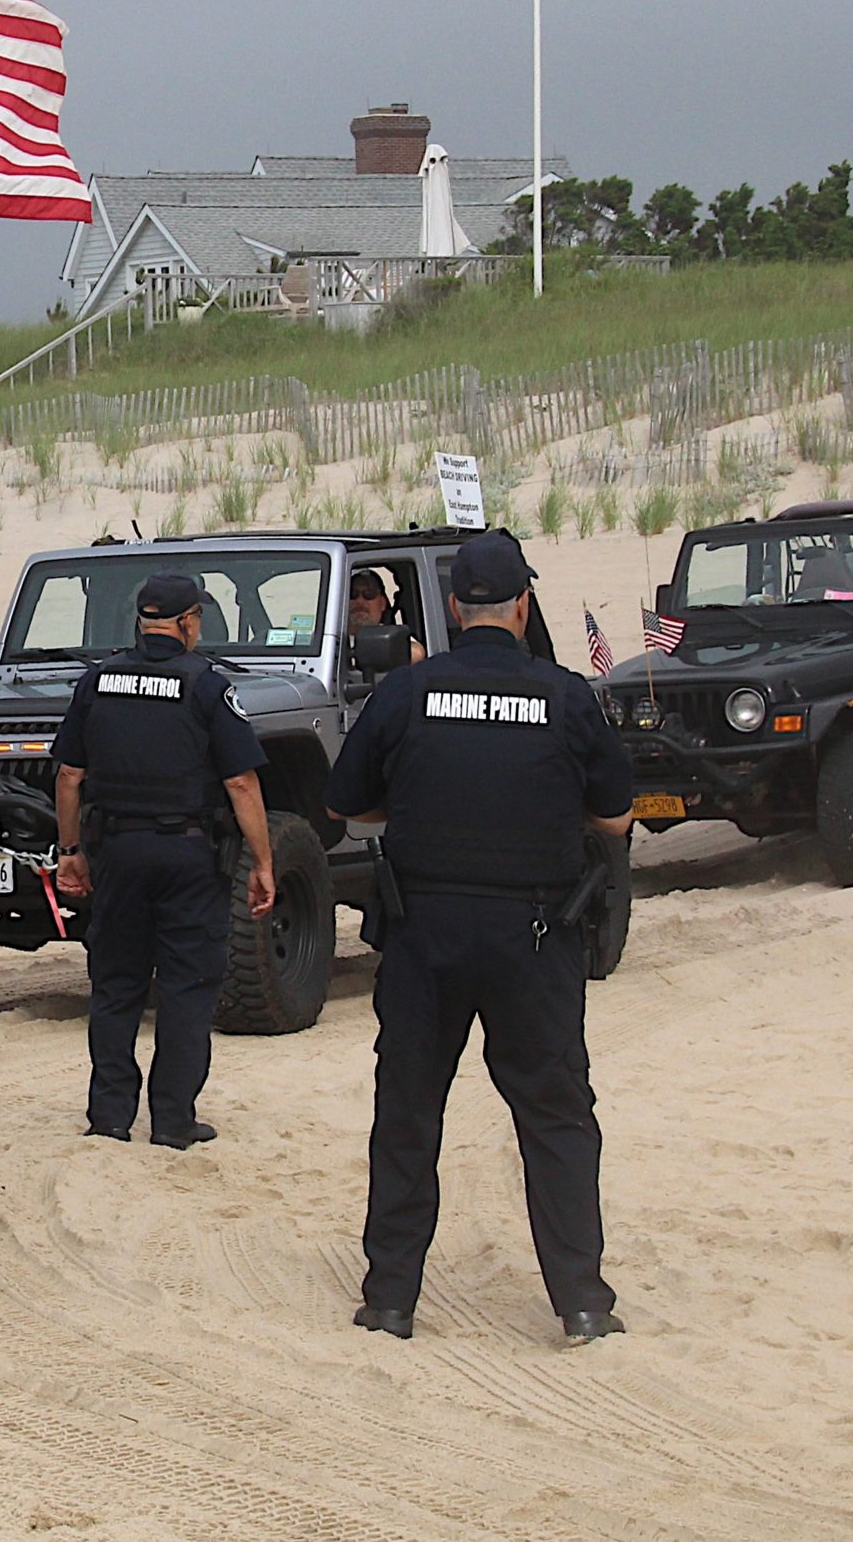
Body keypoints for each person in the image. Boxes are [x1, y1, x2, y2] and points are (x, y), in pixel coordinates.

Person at [325, 529, 636, 1345]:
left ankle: (390, 1298)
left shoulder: (405, 692)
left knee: (408, 1112)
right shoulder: (565, 696)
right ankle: (581, 1301)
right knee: (557, 1116)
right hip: (533, 937)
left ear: (456, 608)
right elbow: (616, 815)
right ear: (522, 606)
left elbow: (348, 803)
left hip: (425, 932)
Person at [51, 571, 276, 1148]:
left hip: (118, 853)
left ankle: (110, 1117)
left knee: (116, 982)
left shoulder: (97, 681)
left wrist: (71, 852)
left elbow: (70, 776)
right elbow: (242, 783)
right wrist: (263, 862)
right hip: (188, 855)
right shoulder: (205, 685)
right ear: (187, 622)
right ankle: (174, 1121)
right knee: (186, 984)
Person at [348, 569, 426, 662]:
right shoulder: (332, 638)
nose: (360, 601)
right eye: (353, 595)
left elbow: (417, 653)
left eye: (369, 594)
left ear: (382, 603)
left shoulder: (391, 635)